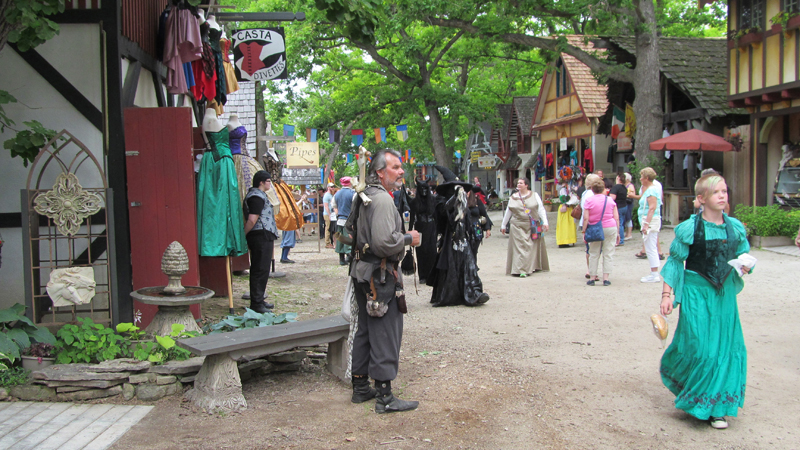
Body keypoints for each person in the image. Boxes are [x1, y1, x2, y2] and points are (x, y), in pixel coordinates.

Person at [659, 173, 751, 429]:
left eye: (724, 191)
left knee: (726, 348)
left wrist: (744, 266)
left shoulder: (735, 227)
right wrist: (667, 295)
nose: (723, 196)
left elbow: (743, 253)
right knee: (701, 347)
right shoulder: (690, 228)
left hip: (724, 296)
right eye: (716, 192)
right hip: (696, 293)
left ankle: (717, 408)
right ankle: (695, 393)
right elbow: (675, 262)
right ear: (701, 199)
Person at [349, 149, 420, 414]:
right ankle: (385, 398)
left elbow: (347, 231)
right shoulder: (381, 200)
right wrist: (407, 238)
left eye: (401, 167)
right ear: (380, 172)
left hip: (362, 272)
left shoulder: (364, 195)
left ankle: (360, 388)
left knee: (366, 330)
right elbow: (382, 243)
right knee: (385, 331)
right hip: (378, 276)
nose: (401, 171)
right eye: (395, 167)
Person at [427, 166, 491, 307]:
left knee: (470, 265)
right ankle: (449, 296)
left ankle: (474, 293)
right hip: (449, 241)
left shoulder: (464, 203)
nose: (459, 190)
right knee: (450, 268)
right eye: (456, 188)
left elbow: (468, 220)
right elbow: (443, 216)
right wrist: (454, 201)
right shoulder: (441, 203)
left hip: (464, 240)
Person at [243, 171, 279, 312]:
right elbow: (252, 219)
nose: (270, 183)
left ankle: (260, 299)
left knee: (263, 269)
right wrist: (245, 234)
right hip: (259, 235)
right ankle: (256, 303)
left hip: (264, 234)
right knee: (259, 269)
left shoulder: (260, 195)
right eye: (268, 181)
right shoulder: (256, 196)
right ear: (261, 182)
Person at [501, 178, 550, 277]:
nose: (518, 184)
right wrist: (503, 224)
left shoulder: (534, 195)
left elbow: (540, 209)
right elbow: (508, 211)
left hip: (532, 225)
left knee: (531, 247)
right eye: (518, 183)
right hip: (517, 225)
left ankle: (532, 266)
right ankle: (521, 270)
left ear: (526, 185)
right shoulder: (513, 197)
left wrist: (545, 221)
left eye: (521, 183)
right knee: (520, 248)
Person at [582, 175, 620, 286]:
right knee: (608, 253)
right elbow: (616, 217)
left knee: (594, 252)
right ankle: (606, 278)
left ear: (592, 189)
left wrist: (584, 230)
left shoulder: (589, 200)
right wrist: (617, 232)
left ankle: (593, 277)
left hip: (595, 227)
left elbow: (586, 218)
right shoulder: (610, 200)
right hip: (610, 227)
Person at [408, 177, 438, 283]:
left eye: (426, 189)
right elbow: (412, 217)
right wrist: (410, 232)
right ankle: (423, 275)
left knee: (432, 251)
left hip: (431, 226)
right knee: (421, 251)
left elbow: (436, 215)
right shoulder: (415, 201)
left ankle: (432, 275)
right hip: (419, 227)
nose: (424, 192)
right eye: (422, 189)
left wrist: (439, 230)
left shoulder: (433, 200)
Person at [638, 167, 663, 282]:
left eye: (642, 177)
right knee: (650, 246)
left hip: (650, 221)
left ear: (646, 178)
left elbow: (652, 208)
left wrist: (646, 223)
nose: (640, 179)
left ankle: (654, 273)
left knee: (651, 247)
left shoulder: (651, 190)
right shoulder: (650, 189)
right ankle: (653, 272)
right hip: (649, 220)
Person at [467, 185, 492, 258]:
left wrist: (487, 229)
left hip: (476, 229)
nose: (466, 193)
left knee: (474, 251)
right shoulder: (461, 201)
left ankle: (473, 267)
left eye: (468, 191)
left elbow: (484, 215)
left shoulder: (477, 201)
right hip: (465, 228)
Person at [334, 177, 355, 265]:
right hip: (349, 220)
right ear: (350, 183)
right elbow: (355, 207)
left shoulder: (337, 194)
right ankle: (349, 258)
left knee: (340, 239)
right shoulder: (353, 193)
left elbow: (334, 206)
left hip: (339, 219)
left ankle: (341, 260)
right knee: (348, 239)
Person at [556, 180, 577, 247]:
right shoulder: (562, 189)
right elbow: (564, 198)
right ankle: (563, 241)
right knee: (564, 224)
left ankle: (568, 240)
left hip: (568, 207)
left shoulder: (567, 189)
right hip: (565, 207)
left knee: (568, 224)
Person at [608, 173, 628, 246]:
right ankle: (621, 238)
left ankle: (620, 239)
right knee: (622, 222)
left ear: (618, 178)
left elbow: (612, 198)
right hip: (624, 206)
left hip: (618, 206)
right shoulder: (624, 187)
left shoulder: (616, 187)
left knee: (618, 223)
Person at [325, 183, 337, 248]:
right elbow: (326, 206)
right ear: (328, 187)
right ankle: (327, 243)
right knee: (328, 228)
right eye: (331, 187)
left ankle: (331, 243)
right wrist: (329, 214)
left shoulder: (330, 195)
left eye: (333, 187)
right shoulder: (327, 195)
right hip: (328, 214)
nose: (333, 188)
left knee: (331, 229)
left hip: (332, 214)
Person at [624, 173, 635, 239]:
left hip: (629, 203)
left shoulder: (630, 186)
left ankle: (629, 233)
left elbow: (632, 194)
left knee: (628, 217)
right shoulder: (624, 185)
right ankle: (627, 233)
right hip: (625, 203)